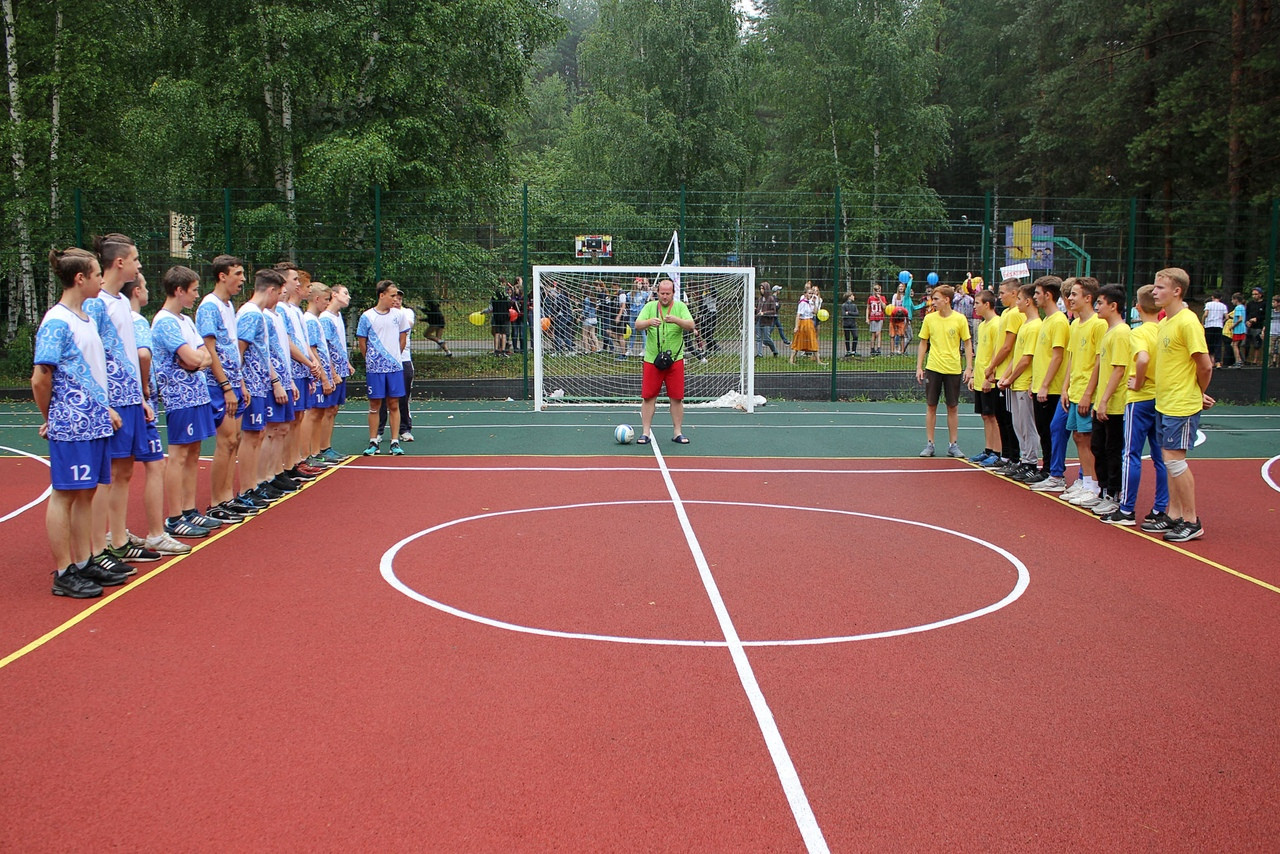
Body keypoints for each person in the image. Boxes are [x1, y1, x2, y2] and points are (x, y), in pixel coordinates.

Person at [33, 248, 128, 597]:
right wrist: (53, 417)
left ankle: (85, 559)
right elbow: (41, 378)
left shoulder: (85, 317)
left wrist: (105, 408)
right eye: (95, 274)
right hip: (72, 424)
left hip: (96, 423)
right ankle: (63, 571)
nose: (100, 280)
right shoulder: (57, 321)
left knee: (86, 494)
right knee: (65, 494)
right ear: (80, 279)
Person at [87, 233, 151, 576]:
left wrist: (140, 396)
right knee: (106, 475)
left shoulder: (121, 303)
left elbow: (127, 353)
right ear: (120, 262)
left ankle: (117, 536)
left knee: (124, 471)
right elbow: (94, 357)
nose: (140, 265)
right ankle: (98, 547)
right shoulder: (97, 303)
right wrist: (104, 401)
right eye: (136, 259)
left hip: (129, 398)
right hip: (110, 400)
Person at [127, 274, 196, 555]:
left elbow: (199, 355)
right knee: (147, 467)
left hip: (140, 402)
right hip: (140, 402)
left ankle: (114, 535)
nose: (147, 291)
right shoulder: (139, 321)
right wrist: (144, 387)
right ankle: (155, 531)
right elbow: (144, 356)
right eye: (143, 285)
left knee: (120, 472)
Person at [150, 266, 222, 536]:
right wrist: (195, 361)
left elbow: (204, 356)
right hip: (178, 397)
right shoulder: (165, 322)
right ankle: (174, 515)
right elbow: (194, 358)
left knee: (193, 453)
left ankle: (190, 510)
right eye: (192, 290)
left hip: (197, 394)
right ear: (178, 291)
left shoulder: (186, 321)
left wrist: (196, 361)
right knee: (179, 455)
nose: (196, 295)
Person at [1151, 267, 1214, 542]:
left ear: (1177, 291)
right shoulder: (1165, 322)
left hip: (1181, 403)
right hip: (1164, 401)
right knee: (1169, 461)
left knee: (1175, 462)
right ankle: (1175, 514)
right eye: (1155, 287)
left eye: (1160, 287)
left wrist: (1198, 391)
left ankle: (1191, 520)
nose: (1154, 291)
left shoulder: (1188, 322)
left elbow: (1205, 364)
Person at [1102, 285, 1169, 527]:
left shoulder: (1138, 333)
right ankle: (1160, 508)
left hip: (1140, 399)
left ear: (1137, 307)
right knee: (1161, 456)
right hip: (1160, 398)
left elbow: (1143, 358)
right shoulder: (1163, 330)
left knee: (1130, 454)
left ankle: (1127, 509)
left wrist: (1139, 381)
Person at [196, 254, 257, 522]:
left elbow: (232, 348)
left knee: (234, 441)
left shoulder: (228, 306)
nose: (243, 280)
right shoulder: (209, 306)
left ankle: (227, 497)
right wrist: (225, 386)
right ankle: (216, 502)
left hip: (233, 382)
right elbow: (210, 349)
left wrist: (240, 382)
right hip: (217, 385)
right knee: (225, 442)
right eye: (238, 274)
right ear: (222, 276)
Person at [236, 268, 290, 505]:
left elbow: (261, 352)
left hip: (260, 383)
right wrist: (241, 383)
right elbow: (239, 351)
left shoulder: (258, 314)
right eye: (278, 293)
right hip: (251, 384)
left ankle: (256, 484)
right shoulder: (251, 314)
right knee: (251, 437)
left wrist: (274, 379)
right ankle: (249, 487)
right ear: (270, 290)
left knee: (257, 435)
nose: (279, 299)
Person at [1059, 277, 1106, 507]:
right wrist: (1065, 387)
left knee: (1088, 439)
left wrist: (1089, 392)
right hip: (1075, 389)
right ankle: (1086, 481)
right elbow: (1071, 358)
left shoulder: (1098, 324)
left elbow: (1099, 361)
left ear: (1088, 298)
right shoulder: (1075, 325)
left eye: (1074, 294)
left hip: (1088, 391)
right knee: (1078, 437)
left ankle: (1094, 485)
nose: (1069, 298)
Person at [915, 285, 973, 457]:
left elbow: (967, 342)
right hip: (933, 368)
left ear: (947, 300)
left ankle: (953, 444)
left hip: (953, 368)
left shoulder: (960, 319)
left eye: (936, 299)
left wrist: (969, 367)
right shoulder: (929, 319)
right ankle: (930, 444)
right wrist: (919, 366)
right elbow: (923, 342)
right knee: (931, 405)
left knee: (952, 407)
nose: (933, 302)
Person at [635, 278, 695, 445]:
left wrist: (676, 320)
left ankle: (678, 432)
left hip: (675, 360)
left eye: (668, 293)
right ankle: (645, 432)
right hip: (652, 359)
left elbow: (691, 325)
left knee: (676, 397)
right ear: (657, 293)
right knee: (648, 397)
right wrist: (649, 322)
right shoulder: (650, 307)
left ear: (673, 293)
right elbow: (637, 324)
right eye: (662, 293)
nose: (665, 297)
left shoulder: (681, 307)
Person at [1087, 285, 1130, 517]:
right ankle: (1105, 490)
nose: (1097, 307)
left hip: (1114, 404)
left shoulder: (1122, 333)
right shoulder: (1108, 332)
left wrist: (1104, 401)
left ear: (1113, 306)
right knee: (1098, 447)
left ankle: (1114, 493)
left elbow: (1119, 370)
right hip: (1101, 401)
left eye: (1101, 303)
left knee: (1112, 449)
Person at [996, 283, 1043, 482]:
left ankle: (1031, 462)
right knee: (1018, 424)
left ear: (1027, 301)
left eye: (1019, 299)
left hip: (1025, 383)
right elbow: (1017, 356)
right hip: (1016, 383)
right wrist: (1007, 376)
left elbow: (1026, 359)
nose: (1016, 303)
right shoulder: (1025, 325)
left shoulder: (1035, 326)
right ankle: (1025, 460)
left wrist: (1011, 378)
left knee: (1027, 425)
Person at [359, 279, 411, 456]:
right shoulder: (367, 316)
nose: (395, 299)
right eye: (392, 295)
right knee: (375, 404)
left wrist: (394, 357)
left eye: (396, 295)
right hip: (375, 370)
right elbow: (362, 342)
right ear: (381, 295)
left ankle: (395, 442)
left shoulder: (399, 315)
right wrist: (373, 360)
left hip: (395, 368)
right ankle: (373, 441)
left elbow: (402, 338)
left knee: (394, 403)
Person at [1027, 276, 1070, 492]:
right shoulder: (1047, 320)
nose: (1035, 297)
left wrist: (1045, 385)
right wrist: (1035, 383)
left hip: (1052, 389)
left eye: (1037, 293)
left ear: (1048, 295)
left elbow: (1058, 356)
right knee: (1043, 429)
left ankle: (1054, 472)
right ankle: (1048, 470)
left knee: (1051, 431)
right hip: (1041, 386)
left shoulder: (1059, 322)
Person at [984, 278, 1025, 469]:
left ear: (1014, 293)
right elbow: (1000, 344)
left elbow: (1008, 346)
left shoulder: (1016, 314)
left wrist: (993, 366)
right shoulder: (1007, 314)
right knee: (1002, 416)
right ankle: (1007, 455)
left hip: (1008, 373)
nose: (999, 297)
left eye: (1002, 293)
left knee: (1010, 419)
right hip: (1001, 372)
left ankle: (1015, 457)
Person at [303, 283, 339, 465]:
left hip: (322, 373)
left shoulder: (315, 320)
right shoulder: (309, 320)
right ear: (316, 299)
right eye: (326, 300)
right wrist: (324, 376)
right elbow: (313, 350)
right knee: (313, 414)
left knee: (318, 413)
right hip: (316, 375)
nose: (328, 303)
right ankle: (308, 453)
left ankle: (316, 451)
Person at [317, 283, 354, 460]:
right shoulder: (325, 318)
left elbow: (337, 344)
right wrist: (331, 371)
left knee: (333, 409)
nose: (348, 297)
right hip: (331, 371)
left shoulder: (338, 316)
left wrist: (346, 363)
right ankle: (321, 448)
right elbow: (324, 348)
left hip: (340, 369)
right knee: (327, 409)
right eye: (345, 293)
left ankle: (326, 446)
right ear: (334, 295)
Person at [969, 290, 1003, 465]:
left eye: (977, 303)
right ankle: (988, 449)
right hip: (981, 376)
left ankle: (997, 452)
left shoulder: (997, 324)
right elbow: (981, 353)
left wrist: (990, 378)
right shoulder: (982, 325)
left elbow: (997, 353)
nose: (974, 306)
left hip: (990, 379)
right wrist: (975, 375)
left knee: (993, 416)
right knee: (985, 415)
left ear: (987, 304)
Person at [377, 289, 416, 441]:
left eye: (399, 298)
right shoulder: (377, 315)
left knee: (402, 397)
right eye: (393, 297)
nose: (397, 300)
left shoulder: (406, 313)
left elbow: (408, 323)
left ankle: (404, 430)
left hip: (403, 360)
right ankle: (378, 432)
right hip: (383, 363)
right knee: (381, 398)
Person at [789, 287, 825, 365]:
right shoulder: (802, 302)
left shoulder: (809, 302)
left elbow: (815, 312)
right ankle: (791, 360)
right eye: (809, 293)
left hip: (810, 323)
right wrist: (796, 326)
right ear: (805, 294)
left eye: (812, 293)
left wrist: (815, 302)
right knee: (798, 341)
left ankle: (818, 361)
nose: (811, 295)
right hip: (803, 323)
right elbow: (798, 315)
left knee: (813, 340)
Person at [1201, 291, 1227, 368]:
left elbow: (1205, 314)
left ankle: (1210, 361)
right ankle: (1218, 362)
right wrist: (1222, 321)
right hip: (1219, 326)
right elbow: (1227, 317)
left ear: (1212, 297)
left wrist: (1203, 322)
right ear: (1220, 298)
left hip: (1209, 325)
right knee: (1218, 344)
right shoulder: (1223, 306)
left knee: (1208, 343)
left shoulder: (1208, 304)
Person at [755, 281, 779, 357]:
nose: (761, 290)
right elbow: (758, 309)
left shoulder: (771, 299)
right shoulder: (760, 299)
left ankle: (774, 350)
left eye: (763, 288)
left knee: (766, 338)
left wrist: (764, 313)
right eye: (760, 288)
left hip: (766, 321)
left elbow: (773, 311)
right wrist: (755, 310)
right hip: (759, 320)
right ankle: (759, 353)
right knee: (758, 337)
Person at [1245, 286, 1266, 364]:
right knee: (1246, 343)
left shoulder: (1264, 303)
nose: (1254, 296)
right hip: (1249, 325)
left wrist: (1257, 319)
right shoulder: (1250, 303)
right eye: (1253, 294)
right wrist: (1247, 321)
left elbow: (1265, 315)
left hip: (1258, 326)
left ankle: (1255, 360)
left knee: (1257, 344)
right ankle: (1246, 359)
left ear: (1260, 294)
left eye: (1256, 294)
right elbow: (1247, 313)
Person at [865, 283, 887, 356]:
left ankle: (879, 348)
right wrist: (867, 318)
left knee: (879, 332)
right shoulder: (870, 298)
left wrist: (880, 298)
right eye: (877, 291)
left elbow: (884, 307)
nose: (878, 292)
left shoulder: (883, 298)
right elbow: (868, 308)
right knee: (873, 334)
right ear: (874, 291)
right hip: (873, 317)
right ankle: (872, 348)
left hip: (880, 317)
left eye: (879, 291)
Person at [1228, 292, 1247, 368]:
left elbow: (1240, 319)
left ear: (1236, 300)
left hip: (1238, 329)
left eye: (1232, 299)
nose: (1232, 301)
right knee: (1235, 344)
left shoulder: (1238, 308)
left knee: (1234, 345)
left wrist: (1232, 326)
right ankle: (1239, 360)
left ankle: (1238, 361)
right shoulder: (1243, 307)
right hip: (1242, 328)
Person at [840, 291, 859, 357]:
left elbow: (857, 314)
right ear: (849, 297)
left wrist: (849, 313)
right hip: (846, 324)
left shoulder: (854, 305)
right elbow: (843, 314)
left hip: (853, 323)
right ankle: (848, 351)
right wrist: (849, 314)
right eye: (852, 295)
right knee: (847, 337)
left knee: (855, 336)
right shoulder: (844, 305)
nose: (853, 297)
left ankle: (854, 350)